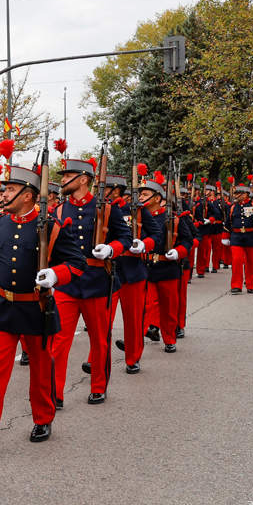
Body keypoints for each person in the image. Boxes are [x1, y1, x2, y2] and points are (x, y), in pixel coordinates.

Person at [0, 165, 85, 452]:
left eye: (11, 190)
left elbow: (76, 263)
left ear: (29, 196)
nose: (5, 194)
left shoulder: (51, 227)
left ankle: (43, 418)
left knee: (41, 370)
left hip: (37, 307)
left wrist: (56, 274)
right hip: (3, 306)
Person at [47, 158, 132, 407]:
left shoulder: (106, 208)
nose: (62, 180)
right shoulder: (60, 210)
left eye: (67, 176)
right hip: (68, 283)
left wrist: (111, 248)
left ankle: (98, 386)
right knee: (59, 341)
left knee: (99, 339)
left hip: (97, 282)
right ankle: (55, 393)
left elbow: (126, 237)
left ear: (83, 179)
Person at [106, 173, 161, 374]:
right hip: (107, 270)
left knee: (133, 319)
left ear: (116, 191)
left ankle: (133, 357)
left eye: (105, 189)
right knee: (103, 321)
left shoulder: (135, 210)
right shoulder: (98, 210)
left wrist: (144, 245)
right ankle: (96, 360)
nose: (100, 193)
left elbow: (157, 234)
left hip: (131, 270)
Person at [141, 173, 195, 353]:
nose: (140, 197)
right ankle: (136, 339)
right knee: (144, 307)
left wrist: (178, 252)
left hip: (168, 267)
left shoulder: (173, 218)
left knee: (169, 307)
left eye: (144, 194)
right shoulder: (138, 218)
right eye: (140, 194)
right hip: (145, 267)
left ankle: (169, 339)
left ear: (157, 198)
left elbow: (188, 240)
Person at [223, 181, 253, 294]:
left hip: (252, 237)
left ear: (245, 194)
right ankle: (236, 285)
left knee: (251, 263)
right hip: (236, 237)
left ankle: (250, 284)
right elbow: (227, 223)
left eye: (237, 194)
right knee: (236, 261)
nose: (235, 196)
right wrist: (225, 236)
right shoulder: (232, 207)